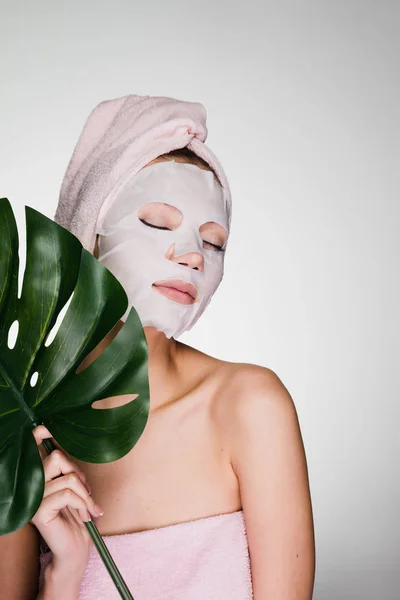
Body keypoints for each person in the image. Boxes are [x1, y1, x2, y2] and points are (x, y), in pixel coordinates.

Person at [0, 95, 315, 599]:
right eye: (157, 222)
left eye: (213, 241)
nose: (192, 254)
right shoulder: (23, 430)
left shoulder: (250, 407)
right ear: (88, 234)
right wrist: (63, 575)